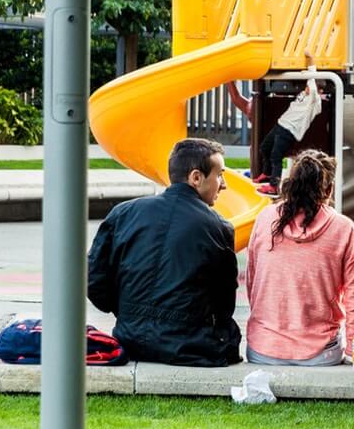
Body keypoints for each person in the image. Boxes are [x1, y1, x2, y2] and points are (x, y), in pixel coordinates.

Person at [87, 138, 241, 366]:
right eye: (220, 175)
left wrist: (131, 313)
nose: (224, 184)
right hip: (189, 345)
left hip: (130, 337)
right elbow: (224, 302)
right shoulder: (218, 227)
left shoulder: (123, 214)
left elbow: (95, 281)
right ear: (196, 178)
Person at [244, 150, 354, 365]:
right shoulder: (343, 228)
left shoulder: (265, 218)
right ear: (328, 189)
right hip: (320, 354)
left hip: (262, 349)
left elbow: (252, 281)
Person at [256, 50, 323, 195]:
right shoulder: (305, 94)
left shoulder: (313, 98)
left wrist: (310, 57)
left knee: (276, 155)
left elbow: (312, 74)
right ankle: (267, 174)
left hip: (289, 130)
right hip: (280, 125)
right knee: (264, 148)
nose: (307, 86)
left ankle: (274, 186)